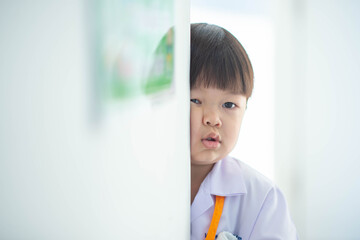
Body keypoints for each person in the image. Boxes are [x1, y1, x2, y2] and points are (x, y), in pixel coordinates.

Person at [190, 23, 298, 240]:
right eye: (195, 100)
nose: (213, 119)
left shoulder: (263, 198)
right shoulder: (140, 178)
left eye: (229, 105)